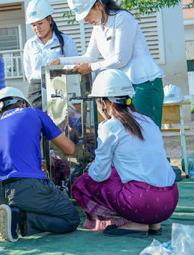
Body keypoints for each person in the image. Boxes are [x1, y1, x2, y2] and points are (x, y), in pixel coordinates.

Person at [72, 69, 178, 237]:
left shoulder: (110, 127)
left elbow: (100, 175)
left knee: (83, 182)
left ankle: (135, 223)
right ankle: (153, 223)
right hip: (170, 201)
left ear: (104, 102)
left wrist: (90, 168)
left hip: (143, 202)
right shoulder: (148, 121)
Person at [54, 0, 165, 125]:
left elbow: (121, 59)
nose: (86, 20)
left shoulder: (122, 18)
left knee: (147, 133)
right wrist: (60, 61)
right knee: (129, 135)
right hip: (125, 86)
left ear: (99, 6)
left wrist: (91, 67)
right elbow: (90, 57)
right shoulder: (98, 27)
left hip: (143, 84)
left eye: (87, 14)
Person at [0, 86, 80, 243]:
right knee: (70, 218)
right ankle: (21, 219)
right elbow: (69, 149)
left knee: (21, 195)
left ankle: (1, 213)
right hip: (23, 187)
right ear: (23, 104)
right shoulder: (33, 113)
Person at [22, 0, 78, 110]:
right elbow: (29, 72)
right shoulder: (30, 45)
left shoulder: (66, 41)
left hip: (59, 85)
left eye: (40, 23)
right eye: (33, 25)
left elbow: (74, 67)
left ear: (49, 20)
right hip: (36, 89)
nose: (37, 28)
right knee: (37, 123)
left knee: (60, 123)